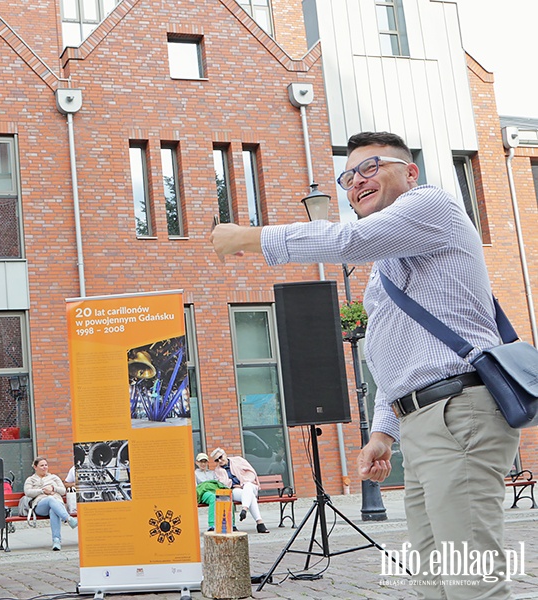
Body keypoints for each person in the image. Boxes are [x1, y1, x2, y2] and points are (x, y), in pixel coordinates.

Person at [210, 131, 519, 598]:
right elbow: (389, 355)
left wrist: (250, 237)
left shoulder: (432, 204)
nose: (357, 182)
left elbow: (351, 238)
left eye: (371, 167)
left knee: (470, 576)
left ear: (409, 172)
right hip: (422, 423)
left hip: (459, 412)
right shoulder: (385, 272)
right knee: (438, 580)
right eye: (348, 176)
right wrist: (382, 433)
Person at [23, 457, 78, 551]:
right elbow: (27, 492)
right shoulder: (31, 480)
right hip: (40, 505)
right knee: (50, 498)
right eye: (42, 465)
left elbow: (63, 491)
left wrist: (53, 488)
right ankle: (68, 519)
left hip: (57, 503)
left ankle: (56, 541)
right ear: (35, 467)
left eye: (46, 465)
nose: (44, 467)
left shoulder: (54, 477)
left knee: (53, 511)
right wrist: (43, 491)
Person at [210, 447, 269, 533]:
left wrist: (243, 484)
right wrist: (234, 485)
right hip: (234, 490)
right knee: (250, 496)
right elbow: (224, 485)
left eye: (220, 457)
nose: (219, 461)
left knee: (248, 486)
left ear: (225, 455)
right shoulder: (218, 471)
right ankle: (260, 523)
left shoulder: (238, 460)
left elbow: (251, 473)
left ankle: (244, 509)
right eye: (216, 460)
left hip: (250, 486)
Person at [194, 452, 231, 532]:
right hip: (203, 493)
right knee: (213, 497)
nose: (203, 464)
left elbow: (217, 483)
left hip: (214, 491)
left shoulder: (212, 473)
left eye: (205, 461)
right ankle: (212, 524)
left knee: (227, 496)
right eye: (201, 462)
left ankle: (231, 524)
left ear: (207, 462)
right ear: (197, 462)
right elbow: (196, 487)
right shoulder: (195, 473)